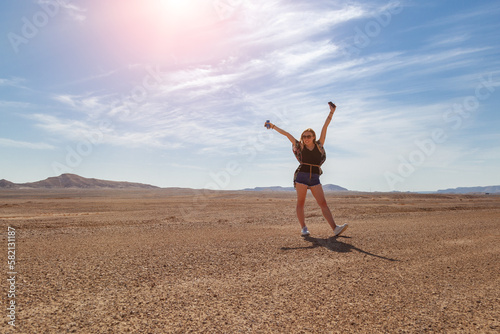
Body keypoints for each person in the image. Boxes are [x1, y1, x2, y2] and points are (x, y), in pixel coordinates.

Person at [266, 102, 348, 237]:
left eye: (308, 136)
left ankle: (335, 228)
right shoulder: (300, 146)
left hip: (315, 177)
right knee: (301, 202)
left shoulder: (319, 144)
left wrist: (331, 112)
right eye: (304, 136)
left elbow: (325, 126)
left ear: (313, 137)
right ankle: (303, 228)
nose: (306, 138)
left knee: (322, 203)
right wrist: (272, 126)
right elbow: (287, 134)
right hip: (302, 176)